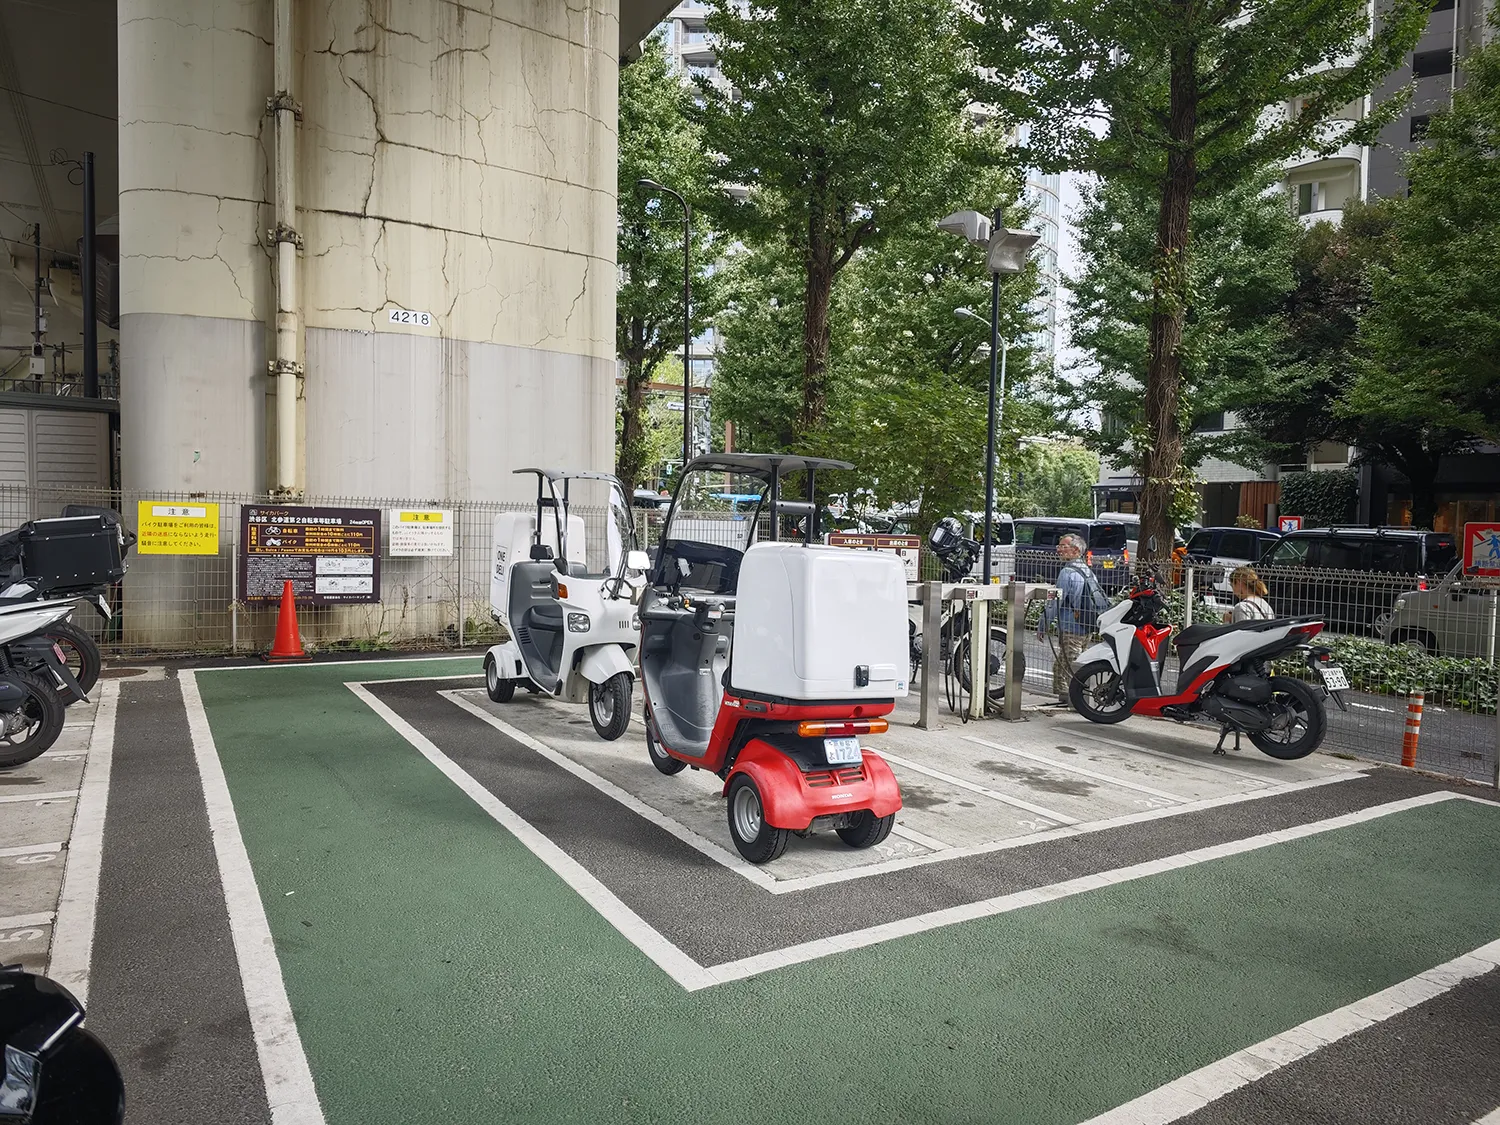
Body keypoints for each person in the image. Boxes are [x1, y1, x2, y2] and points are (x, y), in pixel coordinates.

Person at [1038, 533, 1110, 705]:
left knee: (1071, 667)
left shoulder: (1067, 573)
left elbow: (1056, 602)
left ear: (1076, 550)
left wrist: (1043, 624)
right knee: (1062, 665)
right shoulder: (1087, 571)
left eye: (1063, 546)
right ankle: (1065, 697)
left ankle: (1078, 701)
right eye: (1059, 546)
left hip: (1071, 627)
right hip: (1086, 625)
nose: (1059, 549)